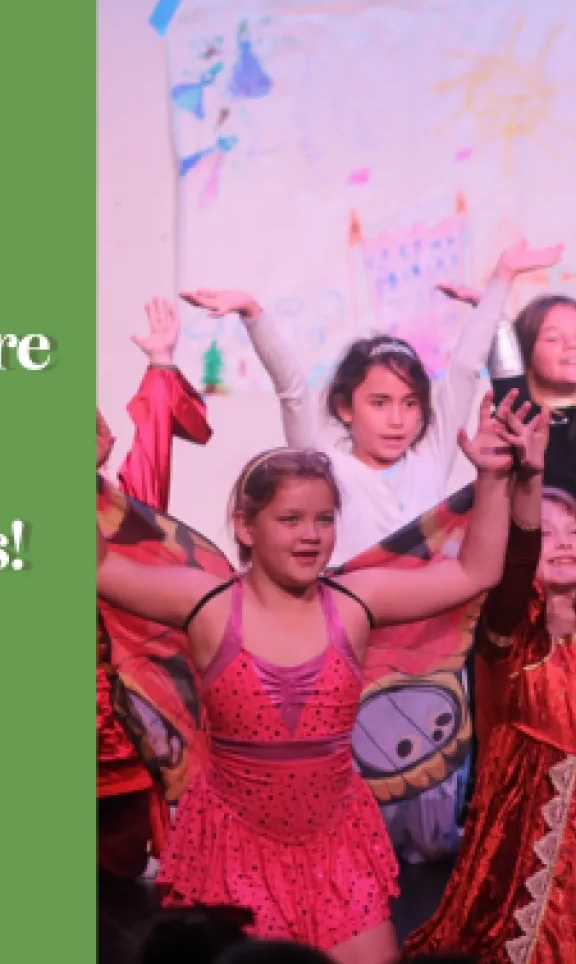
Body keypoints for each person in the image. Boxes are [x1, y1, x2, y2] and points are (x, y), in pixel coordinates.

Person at [97, 391, 526, 964]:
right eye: (291, 519)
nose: (311, 535)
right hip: (233, 846)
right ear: (246, 526)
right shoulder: (209, 605)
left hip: (335, 846)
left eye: (324, 519)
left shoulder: (354, 603)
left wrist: (493, 477)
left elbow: (477, 571)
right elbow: (96, 565)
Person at [181, 239, 562, 865]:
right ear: (344, 407)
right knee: (357, 799)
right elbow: (292, 389)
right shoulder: (326, 465)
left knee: (430, 823)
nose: (397, 419)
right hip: (352, 648)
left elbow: (464, 369)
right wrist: (253, 313)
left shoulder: (432, 458)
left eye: (410, 404)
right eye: (379, 403)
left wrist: (501, 277)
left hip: (427, 648)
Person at [403, 425, 576, 962]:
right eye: (548, 531)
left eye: (574, 530)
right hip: (524, 850)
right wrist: (530, 475)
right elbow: (519, 560)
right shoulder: (512, 633)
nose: (564, 541)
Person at [98, 297, 212, 880]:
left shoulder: (121, 520)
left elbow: (152, 451)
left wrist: (161, 363)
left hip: (116, 734)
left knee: (116, 876)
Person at [439, 285, 576, 499]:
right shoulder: (518, 416)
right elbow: (510, 381)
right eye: (553, 338)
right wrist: (493, 313)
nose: (571, 345)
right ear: (525, 352)